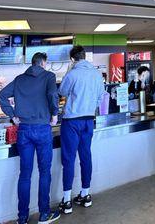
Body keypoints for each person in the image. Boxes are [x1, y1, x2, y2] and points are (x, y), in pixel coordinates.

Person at [0, 52, 60, 224]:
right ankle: (44, 215)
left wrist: (12, 116)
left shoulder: (19, 79)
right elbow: (53, 95)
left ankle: (22, 218)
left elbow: (1, 96)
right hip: (42, 129)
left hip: (24, 130)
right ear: (43, 63)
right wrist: (55, 114)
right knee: (44, 172)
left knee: (24, 175)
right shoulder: (49, 76)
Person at [58, 45, 105, 214]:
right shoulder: (96, 74)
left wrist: (69, 71)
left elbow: (62, 91)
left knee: (68, 159)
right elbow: (101, 96)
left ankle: (66, 200)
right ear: (85, 56)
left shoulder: (72, 73)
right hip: (88, 120)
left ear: (72, 59)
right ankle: (85, 195)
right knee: (86, 156)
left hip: (72, 121)